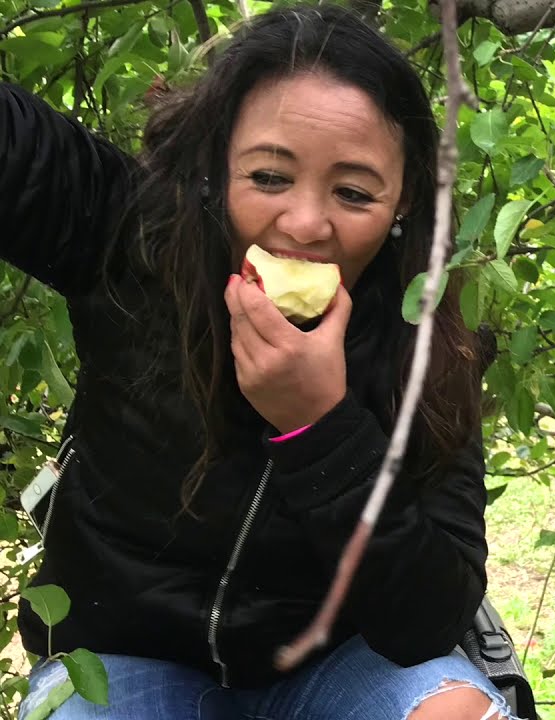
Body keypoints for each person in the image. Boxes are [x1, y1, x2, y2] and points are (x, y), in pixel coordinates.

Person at [1, 5, 519, 719]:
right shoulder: (129, 235)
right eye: (270, 177)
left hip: (333, 664)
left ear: (402, 204)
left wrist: (320, 428)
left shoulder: (425, 337)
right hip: (125, 659)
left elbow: (430, 615)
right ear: (217, 166)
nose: (305, 224)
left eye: (354, 193)